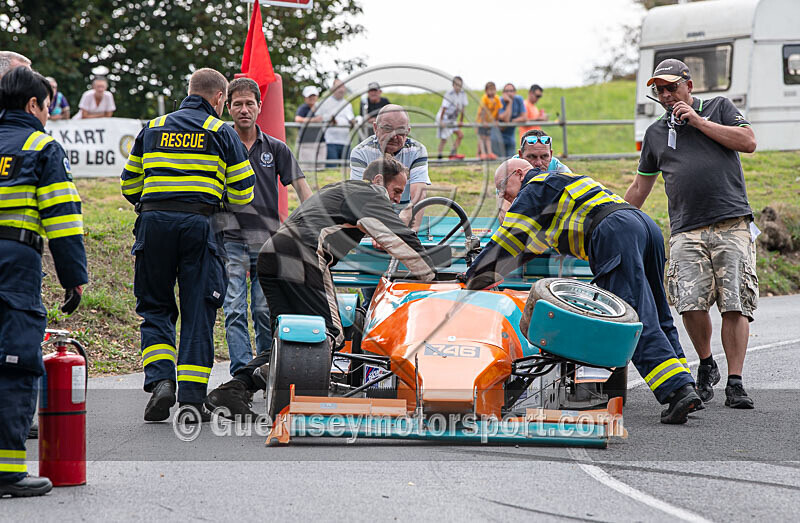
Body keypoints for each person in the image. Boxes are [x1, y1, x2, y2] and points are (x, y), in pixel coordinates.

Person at [467, 158, 702, 424]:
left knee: (633, 316)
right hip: (642, 226)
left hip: (613, 233)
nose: (504, 197)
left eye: (502, 188)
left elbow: (508, 241)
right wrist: (489, 273)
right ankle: (686, 383)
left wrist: (472, 278)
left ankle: (676, 390)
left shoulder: (534, 187)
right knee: (658, 312)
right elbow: (525, 249)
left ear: (518, 174)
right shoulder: (560, 184)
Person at [205, 155, 436, 417]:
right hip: (302, 255)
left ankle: (232, 390)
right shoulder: (370, 193)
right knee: (330, 332)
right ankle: (269, 373)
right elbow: (397, 234)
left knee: (287, 336)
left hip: (272, 253)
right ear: (379, 180)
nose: (396, 199)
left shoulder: (337, 190)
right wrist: (431, 273)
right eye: (396, 191)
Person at [120, 68, 255, 423]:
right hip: (201, 227)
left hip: (153, 224)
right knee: (199, 311)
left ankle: (162, 381)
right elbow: (243, 192)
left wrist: (157, 203)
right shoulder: (221, 132)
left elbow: (129, 184)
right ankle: (193, 400)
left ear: (189, 91)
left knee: (155, 306)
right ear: (219, 99)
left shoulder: (152, 127)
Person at [625, 58, 758, 409]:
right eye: (660, 90)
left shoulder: (719, 107)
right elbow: (640, 186)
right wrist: (615, 219)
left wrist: (698, 121)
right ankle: (706, 362)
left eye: (672, 88)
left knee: (735, 304)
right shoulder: (655, 133)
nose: (667, 95)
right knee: (689, 302)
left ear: (689, 85)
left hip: (731, 222)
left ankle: (735, 382)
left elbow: (748, 142)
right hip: (686, 227)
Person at [0, 67, 87, 497]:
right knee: (15, 363)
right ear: (34, 105)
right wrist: (74, 279)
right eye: (47, 107)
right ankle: (7, 471)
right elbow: (63, 219)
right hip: (14, 265)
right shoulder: (40, 146)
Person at [221, 78, 313, 376]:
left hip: (267, 243)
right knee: (234, 309)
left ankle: (264, 368)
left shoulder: (276, 148)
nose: (244, 109)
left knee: (263, 310)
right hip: (229, 239)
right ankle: (242, 372)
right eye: (237, 104)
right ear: (227, 107)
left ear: (260, 107)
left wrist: (308, 227)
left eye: (250, 104)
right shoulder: (219, 146)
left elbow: (302, 188)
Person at [350, 104, 431, 227]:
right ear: (375, 128)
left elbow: (419, 194)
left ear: (408, 131)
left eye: (401, 131)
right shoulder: (361, 152)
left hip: (404, 218)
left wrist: (411, 231)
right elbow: (360, 197)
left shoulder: (417, 151)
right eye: (388, 129)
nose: (394, 136)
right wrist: (378, 230)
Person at [497, 129, 572, 223]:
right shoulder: (509, 171)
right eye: (531, 157)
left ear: (551, 155)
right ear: (520, 155)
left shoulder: (561, 170)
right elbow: (505, 216)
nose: (538, 163)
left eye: (544, 156)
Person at [315, 78, 355, 168]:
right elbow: (318, 118)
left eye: (342, 87)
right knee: (332, 169)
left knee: (347, 170)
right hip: (331, 141)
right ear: (333, 88)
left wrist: (353, 123)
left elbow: (351, 121)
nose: (341, 89)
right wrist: (329, 120)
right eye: (338, 87)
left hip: (346, 142)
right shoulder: (325, 103)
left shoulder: (347, 104)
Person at [436, 76, 468, 160]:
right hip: (445, 118)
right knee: (444, 139)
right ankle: (439, 157)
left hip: (452, 119)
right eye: (456, 85)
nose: (458, 87)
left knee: (460, 135)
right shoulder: (449, 94)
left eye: (460, 85)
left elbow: (463, 109)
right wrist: (441, 121)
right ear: (453, 85)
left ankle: (452, 154)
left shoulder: (463, 94)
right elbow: (444, 108)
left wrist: (461, 121)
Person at [294, 85, 325, 171]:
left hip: (320, 142)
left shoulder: (321, 108)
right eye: (309, 96)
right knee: (307, 168)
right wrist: (314, 120)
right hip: (306, 143)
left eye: (313, 95)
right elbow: (298, 119)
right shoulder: (303, 108)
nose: (312, 98)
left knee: (320, 169)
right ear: (305, 98)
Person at [497, 83, 526, 158]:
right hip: (498, 136)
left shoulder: (519, 99)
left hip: (510, 136)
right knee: (499, 162)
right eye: (506, 91)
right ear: (503, 93)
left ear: (515, 92)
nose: (509, 93)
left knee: (511, 161)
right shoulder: (499, 101)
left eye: (511, 91)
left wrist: (512, 121)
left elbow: (524, 118)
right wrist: (509, 103)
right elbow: (506, 120)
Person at [476, 82, 501, 160]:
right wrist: (483, 122)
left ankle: (489, 152)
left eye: (493, 90)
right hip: (482, 121)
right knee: (482, 137)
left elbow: (497, 110)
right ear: (486, 91)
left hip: (489, 122)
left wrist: (496, 120)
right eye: (490, 90)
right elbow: (483, 110)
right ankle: (483, 153)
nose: (492, 92)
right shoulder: (485, 98)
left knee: (488, 137)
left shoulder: (496, 98)